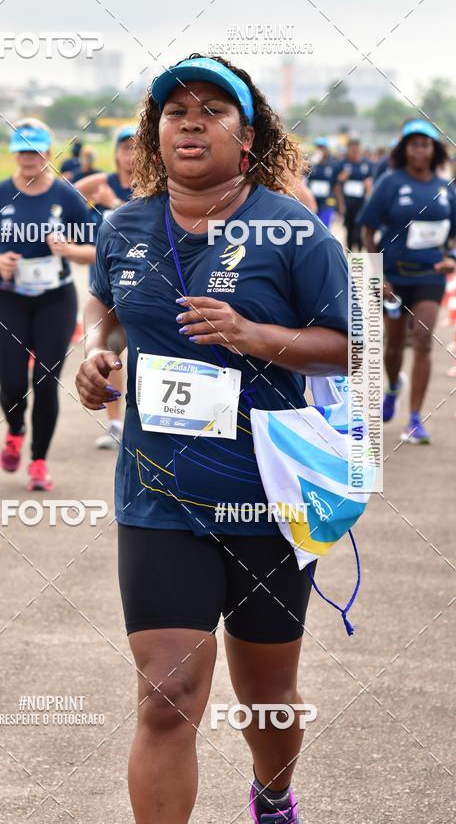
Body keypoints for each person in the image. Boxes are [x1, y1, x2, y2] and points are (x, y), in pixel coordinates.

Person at [76, 54, 350, 824]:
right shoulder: (124, 226)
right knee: (167, 692)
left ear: (247, 134)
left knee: (268, 698)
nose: (191, 122)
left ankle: (273, 794)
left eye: (212, 110)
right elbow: (106, 310)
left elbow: (350, 345)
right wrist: (95, 357)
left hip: (267, 495)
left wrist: (253, 334)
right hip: (158, 495)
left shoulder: (292, 229)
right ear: (155, 133)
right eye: (175, 111)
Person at [0, 118, 94, 490]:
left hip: (55, 301)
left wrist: (67, 250)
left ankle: (39, 461)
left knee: (45, 381)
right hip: (8, 299)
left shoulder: (67, 197)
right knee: (12, 383)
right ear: (14, 154)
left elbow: (93, 250)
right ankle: (15, 430)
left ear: (49, 152)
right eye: (22, 151)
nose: (29, 158)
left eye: (36, 151)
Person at [359, 119, 456, 443]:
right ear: (405, 149)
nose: (419, 150)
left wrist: (451, 258)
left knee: (424, 340)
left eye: (425, 144)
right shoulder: (390, 182)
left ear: (433, 150)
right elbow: (367, 230)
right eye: (414, 144)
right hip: (393, 278)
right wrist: (378, 275)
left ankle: (415, 419)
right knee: (394, 346)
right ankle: (393, 386)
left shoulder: (445, 188)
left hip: (429, 276)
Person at [75, 125, 136, 449]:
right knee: (110, 355)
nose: (131, 154)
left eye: (138, 147)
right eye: (126, 147)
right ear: (115, 153)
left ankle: (142, 422)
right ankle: (114, 422)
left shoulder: (155, 186)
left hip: (144, 284)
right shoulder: (100, 183)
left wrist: (112, 204)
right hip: (107, 287)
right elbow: (61, 196)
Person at [335, 138, 373, 251]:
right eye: (352, 149)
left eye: (356, 149)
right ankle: (350, 255)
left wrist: (369, 186)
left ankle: (358, 255)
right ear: (348, 149)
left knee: (359, 230)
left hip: (361, 203)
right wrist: (341, 204)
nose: (354, 152)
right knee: (350, 231)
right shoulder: (343, 164)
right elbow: (337, 185)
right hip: (347, 203)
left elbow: (371, 184)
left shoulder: (366, 164)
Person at [306, 137, 338, 227]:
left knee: (324, 225)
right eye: (318, 147)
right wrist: (312, 162)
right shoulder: (311, 163)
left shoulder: (333, 164)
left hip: (327, 200)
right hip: (313, 199)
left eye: (322, 147)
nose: (320, 150)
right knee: (313, 225)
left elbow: (336, 183)